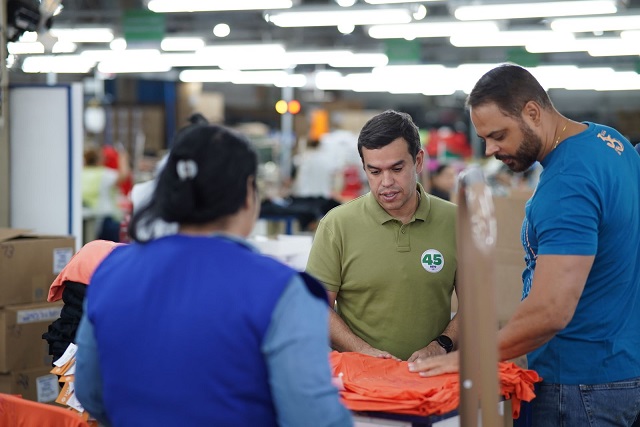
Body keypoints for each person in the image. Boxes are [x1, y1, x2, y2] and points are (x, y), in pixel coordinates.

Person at [74, 123, 353, 427]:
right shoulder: (281, 291)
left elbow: (90, 394)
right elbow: (312, 419)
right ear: (248, 193)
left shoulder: (110, 273)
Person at [409, 64, 640, 426]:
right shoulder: (610, 142)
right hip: (621, 371)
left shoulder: (567, 184)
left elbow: (551, 310)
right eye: (484, 138)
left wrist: (467, 359)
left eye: (499, 134)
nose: (490, 149)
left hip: (577, 387)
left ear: (532, 112)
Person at [306, 110, 459, 362]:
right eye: (375, 172)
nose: (386, 182)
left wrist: (441, 344)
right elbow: (317, 307)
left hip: (432, 379)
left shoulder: (456, 222)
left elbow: (476, 303)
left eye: (397, 168)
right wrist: (364, 352)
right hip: (361, 383)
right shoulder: (337, 225)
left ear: (418, 161)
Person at [82, 144, 130, 242]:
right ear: (99, 160)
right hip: (106, 221)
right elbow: (124, 175)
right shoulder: (104, 174)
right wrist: (123, 158)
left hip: (87, 219)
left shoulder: (81, 173)